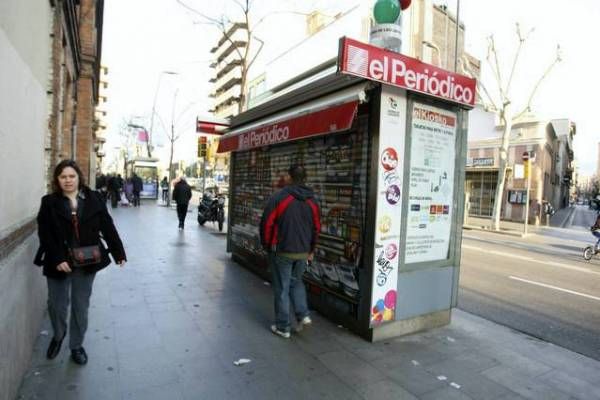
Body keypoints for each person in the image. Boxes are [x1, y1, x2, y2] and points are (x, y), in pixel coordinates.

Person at [34, 160, 126, 365]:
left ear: (78, 177)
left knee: (80, 306)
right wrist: (57, 258)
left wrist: (118, 252)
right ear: (57, 180)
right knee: (56, 305)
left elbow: (107, 227)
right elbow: (45, 233)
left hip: (87, 261)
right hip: (58, 261)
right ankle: (58, 335)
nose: (68, 180)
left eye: (71, 176)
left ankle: (76, 346)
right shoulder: (49, 202)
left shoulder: (94, 198)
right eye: (63, 177)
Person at [260, 165, 321, 339]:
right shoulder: (312, 200)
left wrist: (266, 245)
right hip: (303, 252)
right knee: (297, 282)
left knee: (282, 288)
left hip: (282, 251)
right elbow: (317, 228)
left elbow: (267, 223)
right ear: (305, 178)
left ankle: (283, 327)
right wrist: (311, 250)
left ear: (289, 177)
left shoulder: (279, 197)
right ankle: (303, 315)